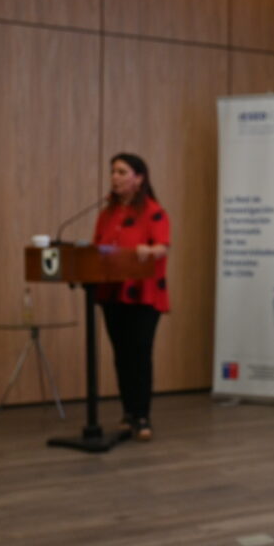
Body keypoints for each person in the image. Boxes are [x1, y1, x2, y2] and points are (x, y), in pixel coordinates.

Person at [93, 153, 170, 441]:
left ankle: (142, 415)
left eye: (122, 172)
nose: (115, 177)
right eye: (113, 171)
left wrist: (150, 251)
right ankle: (128, 412)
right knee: (122, 355)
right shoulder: (107, 214)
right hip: (112, 292)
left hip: (143, 293)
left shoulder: (153, 211)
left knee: (140, 353)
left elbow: (162, 246)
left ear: (139, 178)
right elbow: (97, 249)